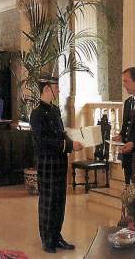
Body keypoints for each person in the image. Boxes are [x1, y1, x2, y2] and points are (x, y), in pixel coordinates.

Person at [30, 75, 83, 254]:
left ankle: (57, 236)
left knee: (60, 200)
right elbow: (43, 140)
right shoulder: (37, 113)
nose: (58, 90)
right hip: (47, 161)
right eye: (56, 87)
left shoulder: (54, 110)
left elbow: (60, 133)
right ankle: (47, 239)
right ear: (46, 89)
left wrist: (73, 141)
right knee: (48, 200)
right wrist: (68, 145)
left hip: (60, 160)